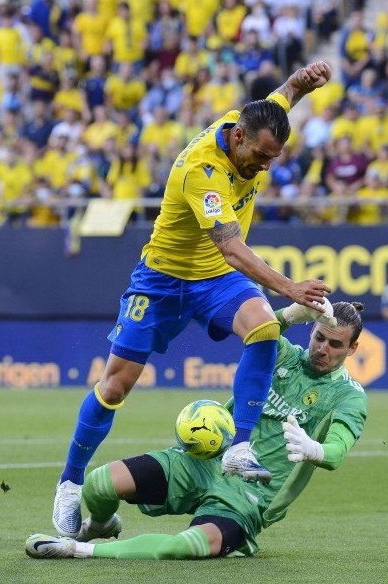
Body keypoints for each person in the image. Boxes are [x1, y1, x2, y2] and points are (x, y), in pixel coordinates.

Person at [52, 61, 336, 539]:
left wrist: (302, 83)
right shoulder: (201, 170)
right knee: (114, 386)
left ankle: (240, 446)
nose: (265, 166)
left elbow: (282, 96)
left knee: (264, 327)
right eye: (260, 156)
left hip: (213, 279)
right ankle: (69, 484)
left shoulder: (253, 125)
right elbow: (231, 246)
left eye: (274, 158)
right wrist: (289, 287)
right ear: (239, 137)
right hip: (162, 280)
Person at [28, 300, 367, 560]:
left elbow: (336, 452)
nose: (323, 349)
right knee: (99, 485)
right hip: (206, 461)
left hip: (248, 498)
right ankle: (100, 525)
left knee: (184, 547)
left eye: (335, 345)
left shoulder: (349, 397)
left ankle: (75, 549)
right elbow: (262, 327)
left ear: (352, 349)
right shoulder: (282, 356)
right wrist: (290, 314)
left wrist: (315, 450)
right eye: (319, 337)